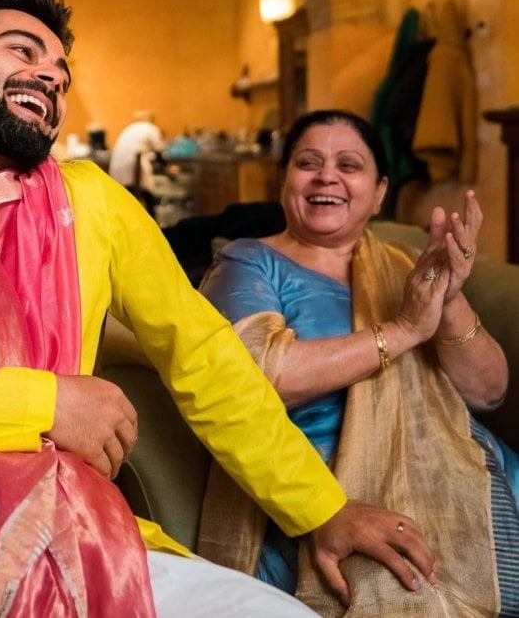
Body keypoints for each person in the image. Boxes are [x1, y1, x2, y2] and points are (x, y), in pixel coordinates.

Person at [0, 0, 435, 617]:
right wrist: (44, 403)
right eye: (22, 51)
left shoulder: (94, 205)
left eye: (60, 71)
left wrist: (321, 509)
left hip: (76, 533)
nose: (49, 77)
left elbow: (206, 358)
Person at [201, 109, 519, 616]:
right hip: (328, 493)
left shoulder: (402, 265)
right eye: (308, 162)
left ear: (378, 193)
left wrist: (450, 298)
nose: (327, 176)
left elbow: (488, 393)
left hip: (458, 469)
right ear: (283, 180)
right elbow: (256, 379)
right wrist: (403, 330)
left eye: (349, 165)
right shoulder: (247, 262)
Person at [108, 110, 179, 218]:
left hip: (118, 164)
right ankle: (153, 222)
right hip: (134, 165)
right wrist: (169, 167)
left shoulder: (131, 128)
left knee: (126, 196)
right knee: (146, 194)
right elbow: (159, 153)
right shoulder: (151, 129)